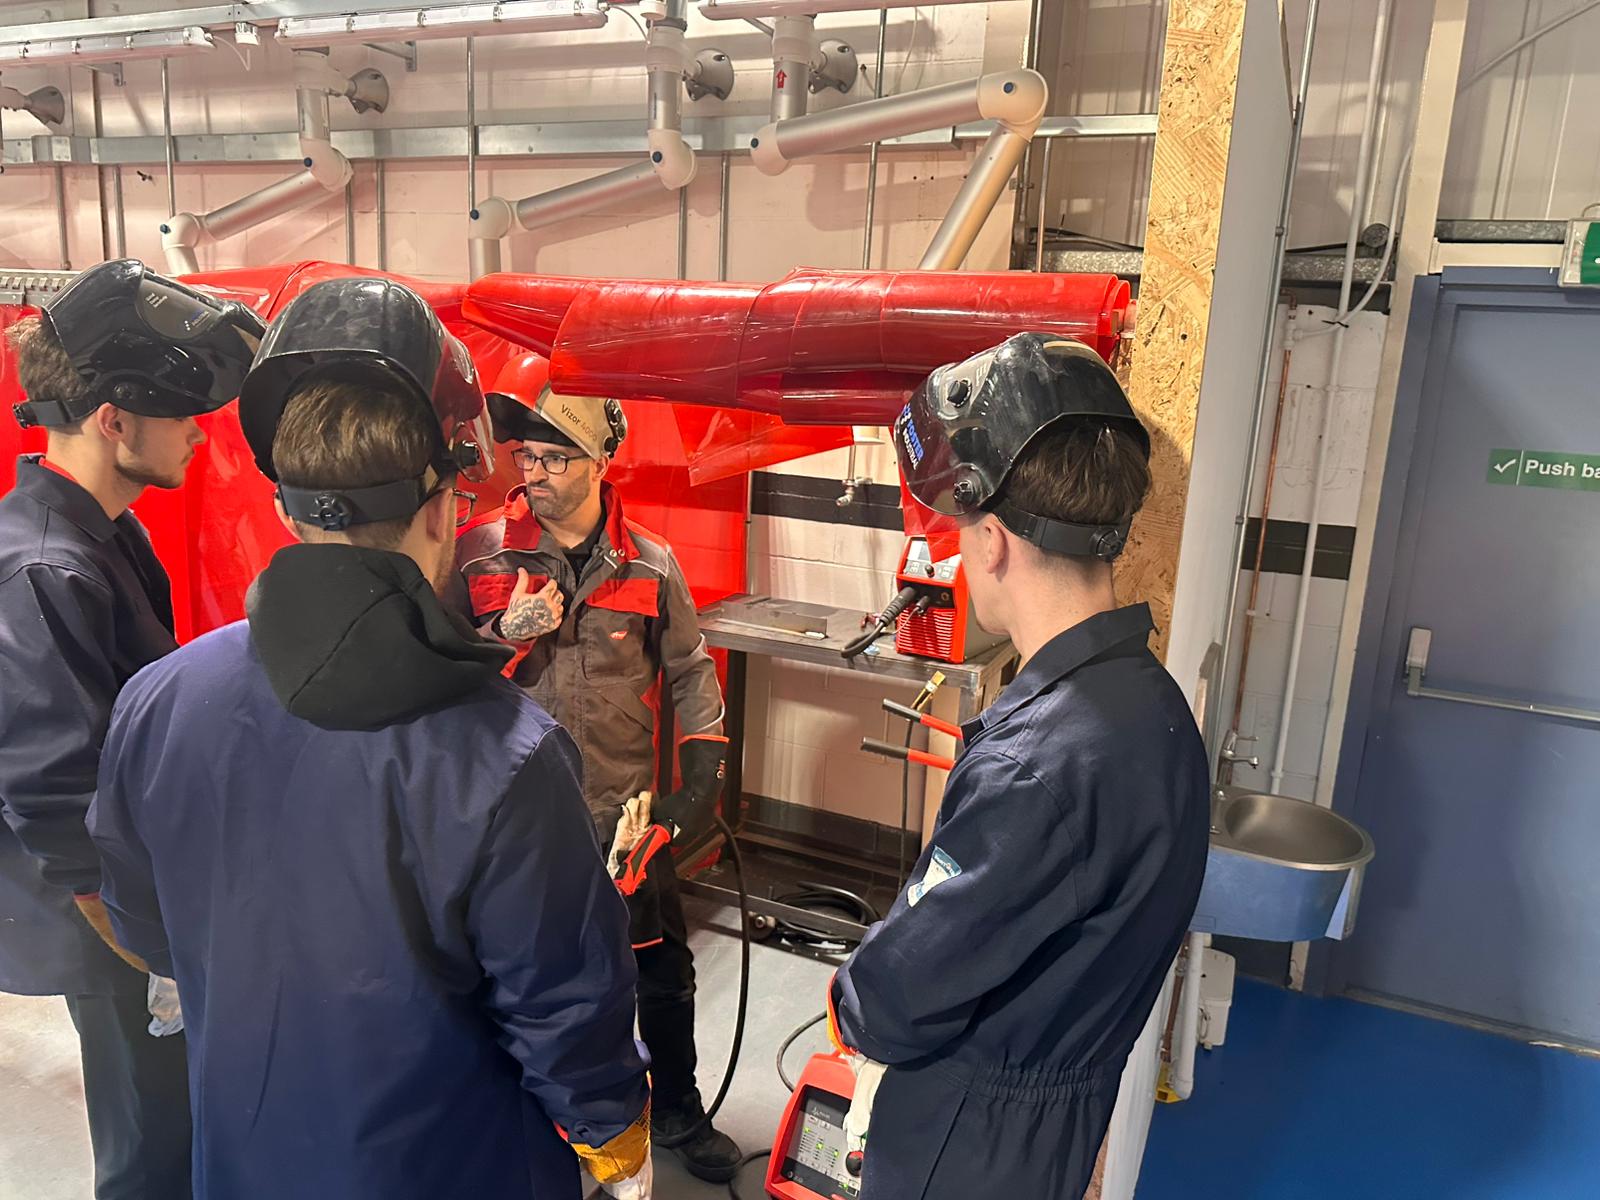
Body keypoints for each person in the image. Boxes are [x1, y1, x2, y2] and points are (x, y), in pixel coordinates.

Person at [85, 278, 653, 1200]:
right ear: (442, 514)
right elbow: (569, 1019)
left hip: (244, 1155)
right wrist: (615, 1142)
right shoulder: (507, 756)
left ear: (284, 509)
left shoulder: (158, 700)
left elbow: (149, 929)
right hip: (451, 1168)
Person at [827, 333, 1211, 1200]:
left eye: (963, 532)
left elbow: (893, 1000)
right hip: (1051, 1133)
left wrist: (852, 991)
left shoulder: (1040, 765)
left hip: (963, 1151)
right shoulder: (1154, 710)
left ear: (993, 540)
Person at [0, 259, 264, 1200]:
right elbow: (55, 804)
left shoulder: (109, 532)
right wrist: (153, 959)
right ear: (114, 420)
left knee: (179, 1120)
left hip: (145, 895)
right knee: (146, 1144)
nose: (197, 434)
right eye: (181, 414)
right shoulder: (42, 569)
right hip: (107, 923)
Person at [454, 351, 742, 1183]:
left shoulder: (650, 563)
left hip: (625, 821)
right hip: (510, 826)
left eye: (552, 458)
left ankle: (679, 1114)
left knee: (661, 974)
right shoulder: (479, 556)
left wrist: (696, 789)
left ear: (601, 460)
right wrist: (504, 635)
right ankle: (538, 1122)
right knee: (522, 982)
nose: (532, 474)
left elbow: (690, 672)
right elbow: (434, 673)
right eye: (525, 458)